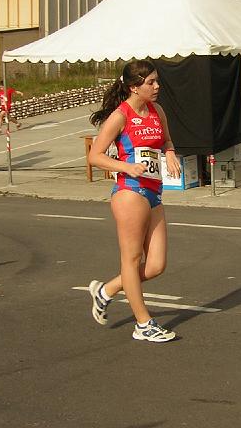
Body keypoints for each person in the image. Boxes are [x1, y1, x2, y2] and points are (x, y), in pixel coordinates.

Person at [87, 59, 181, 343]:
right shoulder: (120, 116)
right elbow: (95, 155)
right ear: (133, 87)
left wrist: (171, 153)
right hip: (129, 192)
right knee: (131, 260)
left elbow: (166, 141)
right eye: (150, 82)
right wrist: (126, 167)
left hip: (154, 192)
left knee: (155, 266)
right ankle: (143, 323)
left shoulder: (157, 110)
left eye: (156, 81)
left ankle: (106, 290)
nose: (156, 86)